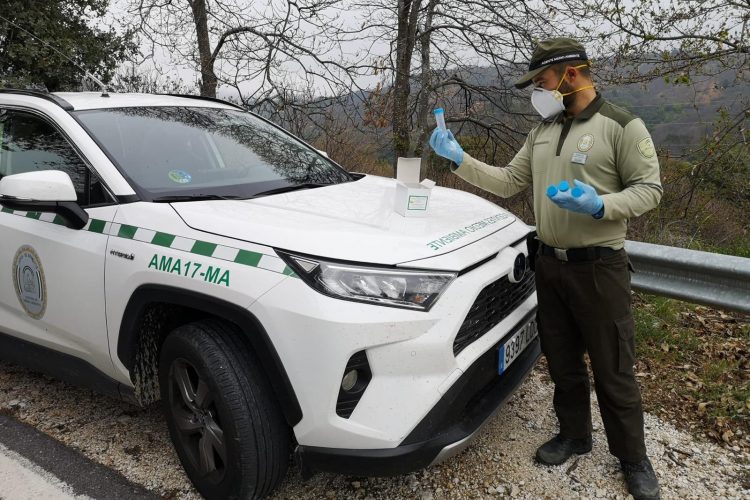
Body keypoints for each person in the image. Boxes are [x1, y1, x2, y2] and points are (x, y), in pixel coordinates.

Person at [429, 37, 663, 500]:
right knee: (561, 359)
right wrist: (460, 160)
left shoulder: (622, 126)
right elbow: (511, 180)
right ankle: (575, 435)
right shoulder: (543, 129)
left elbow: (650, 190)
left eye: (542, 80)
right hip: (550, 266)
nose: (538, 89)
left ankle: (633, 458)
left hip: (599, 269)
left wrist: (601, 205)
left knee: (614, 368)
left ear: (570, 75)